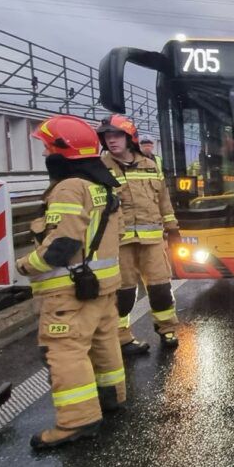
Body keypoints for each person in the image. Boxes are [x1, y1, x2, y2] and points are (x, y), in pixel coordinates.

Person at [16, 115, 126, 449]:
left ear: (62, 151)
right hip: (102, 287)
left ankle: (77, 421)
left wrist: (26, 265)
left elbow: (62, 244)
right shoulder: (102, 186)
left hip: (70, 290)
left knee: (65, 352)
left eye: (48, 146)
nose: (46, 151)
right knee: (104, 343)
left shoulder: (68, 187)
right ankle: (112, 398)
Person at [98, 115, 181, 354]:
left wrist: (173, 228)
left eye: (116, 136)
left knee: (161, 288)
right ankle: (122, 337)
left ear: (129, 138)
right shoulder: (100, 168)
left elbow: (163, 200)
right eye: (107, 137)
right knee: (122, 293)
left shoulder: (150, 166)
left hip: (152, 240)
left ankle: (167, 330)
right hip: (119, 242)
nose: (111, 141)